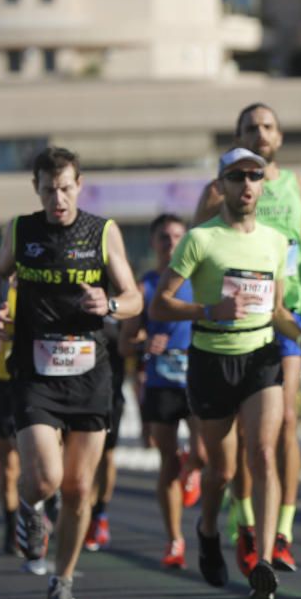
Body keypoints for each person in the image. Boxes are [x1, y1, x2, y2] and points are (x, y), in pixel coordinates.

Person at [151, 147, 301, 599]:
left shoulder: (274, 241)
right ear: (220, 185)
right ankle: (206, 529)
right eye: (237, 176)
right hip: (210, 360)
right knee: (221, 470)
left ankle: (262, 560)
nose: (246, 184)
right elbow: (159, 303)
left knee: (263, 452)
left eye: (254, 176)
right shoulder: (199, 240)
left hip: (260, 356)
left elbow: (279, 310)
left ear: (264, 185)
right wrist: (209, 309)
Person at [0, 146, 143, 599]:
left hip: (90, 373)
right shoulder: (21, 229)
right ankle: (32, 512)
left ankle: (63, 581)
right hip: (35, 372)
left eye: (67, 187)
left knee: (77, 488)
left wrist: (111, 306)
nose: (59, 198)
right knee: (47, 477)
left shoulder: (102, 232)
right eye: (50, 189)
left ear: (80, 185)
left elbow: (133, 295)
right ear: (37, 188)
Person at [194, 102, 301, 574]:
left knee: (284, 421)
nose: (260, 134)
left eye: (267, 127)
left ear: (280, 137)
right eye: (250, 128)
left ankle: (281, 532)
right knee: (244, 436)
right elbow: (198, 242)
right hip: (235, 315)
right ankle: (243, 521)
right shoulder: (219, 189)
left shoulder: (296, 186)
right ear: (237, 137)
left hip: (285, 309)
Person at [120, 213, 205, 568]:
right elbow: (125, 343)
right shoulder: (145, 287)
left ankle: (193, 469)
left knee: (205, 453)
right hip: (160, 384)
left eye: (177, 237)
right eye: (164, 238)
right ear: (154, 243)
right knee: (166, 461)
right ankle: (174, 540)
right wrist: (143, 344)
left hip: (199, 379)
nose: (171, 244)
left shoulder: (201, 282)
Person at [82, 316, 126, 552]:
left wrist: (115, 331)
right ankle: (81, 512)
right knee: (82, 457)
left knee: (106, 455)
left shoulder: (122, 298)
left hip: (111, 390)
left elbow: (130, 343)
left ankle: (99, 513)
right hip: (79, 386)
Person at [0, 276, 19, 557]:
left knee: (40, 466)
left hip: (39, 383)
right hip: (4, 383)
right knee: (8, 468)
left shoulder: (52, 285)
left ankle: (39, 513)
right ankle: (12, 527)